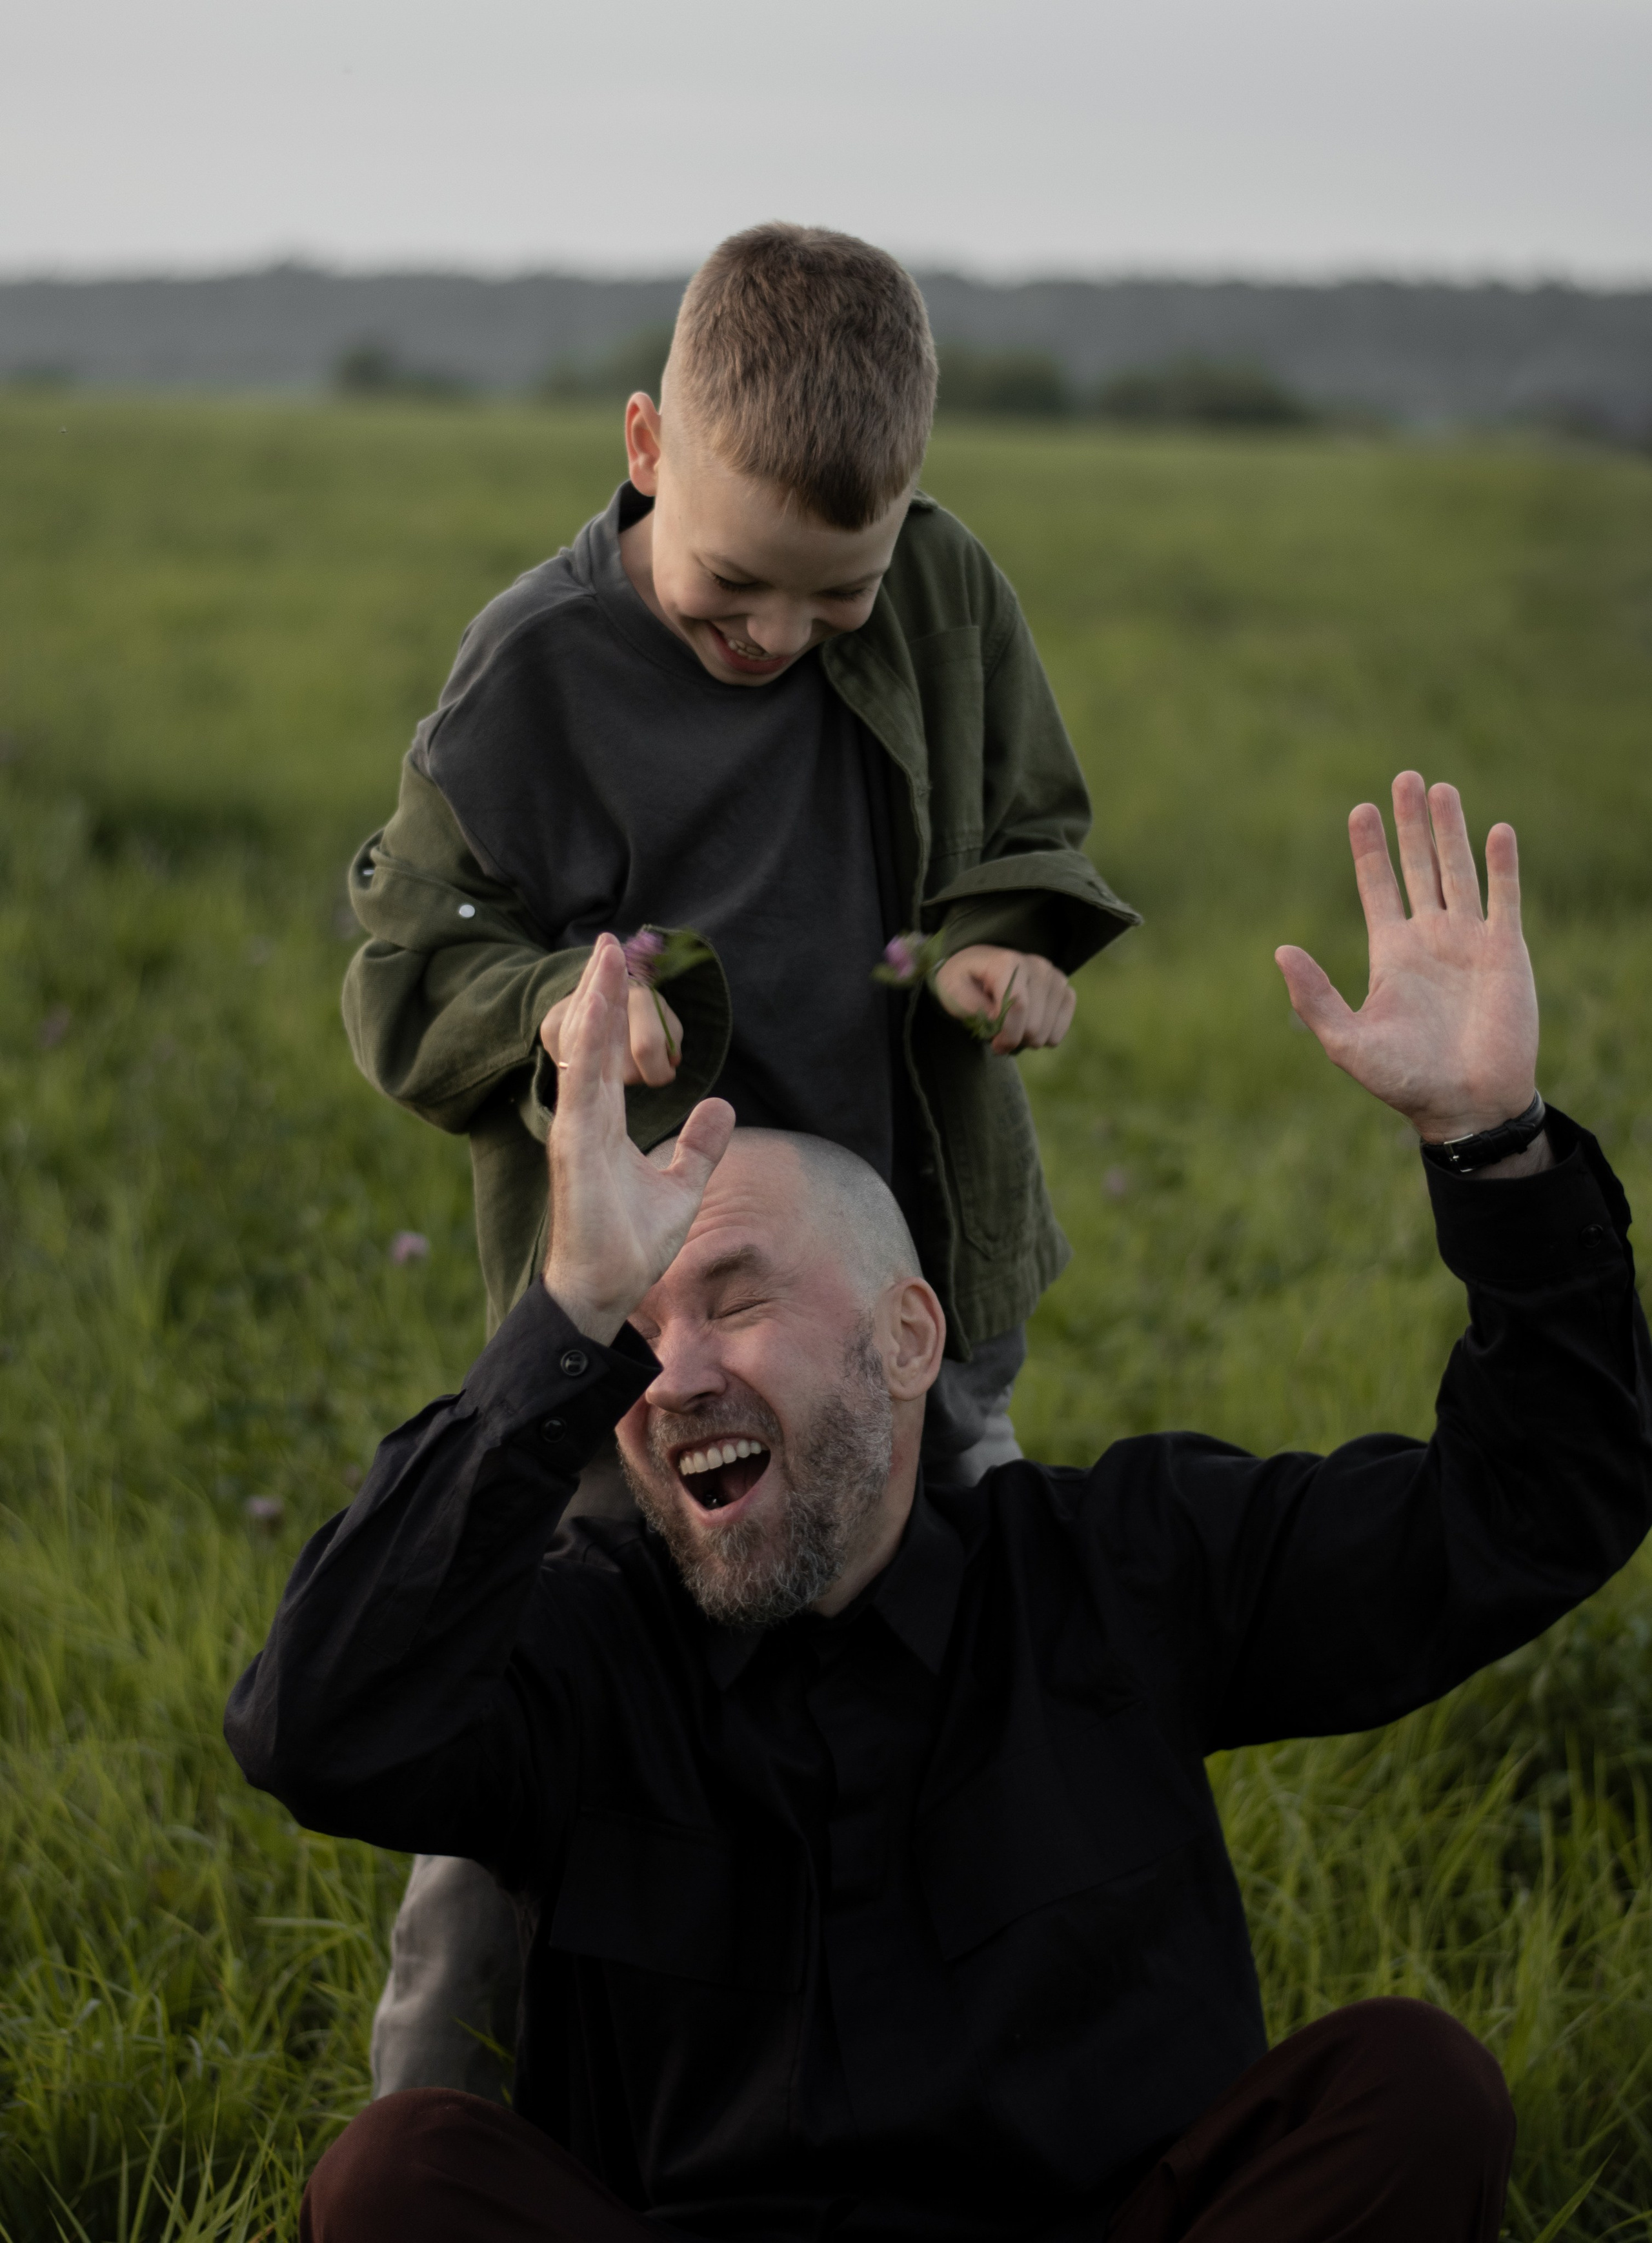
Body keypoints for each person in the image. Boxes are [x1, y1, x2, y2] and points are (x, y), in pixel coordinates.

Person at [230, 772, 1652, 2240]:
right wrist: (563, 1313)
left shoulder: (1116, 1570)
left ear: (909, 1339)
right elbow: (312, 1732)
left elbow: (1527, 1515)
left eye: (734, 1298)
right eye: (638, 1333)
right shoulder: (589, 1647)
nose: (673, 1375)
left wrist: (1493, 1144)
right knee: (398, 2173)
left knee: (1409, 2084)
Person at [340, 222, 1137, 2097]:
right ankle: (443, 2114)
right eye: (729, 592)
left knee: (981, 1681)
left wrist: (989, 947)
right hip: (650, 1324)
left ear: (906, 523)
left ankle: (1000, 2092)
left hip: (892, 1294)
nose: (775, 639)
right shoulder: (527, 679)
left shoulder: (945, 594)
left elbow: (1019, 821)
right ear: (644, 446)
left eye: (829, 601)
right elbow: (402, 978)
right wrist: (556, 1009)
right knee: (546, 1699)